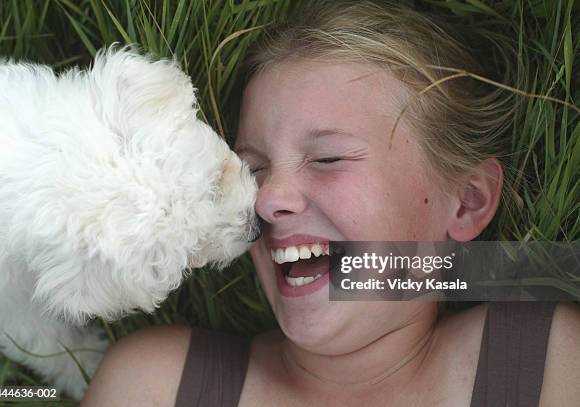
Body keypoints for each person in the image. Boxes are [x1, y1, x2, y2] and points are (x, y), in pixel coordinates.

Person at [81, 1, 580, 406]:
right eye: (251, 170)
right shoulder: (155, 387)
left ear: (467, 203)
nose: (268, 198)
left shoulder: (551, 363)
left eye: (328, 158)